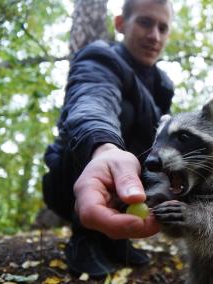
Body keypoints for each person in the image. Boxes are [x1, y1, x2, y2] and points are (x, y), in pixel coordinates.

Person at [42, 0, 174, 278]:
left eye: (163, 28)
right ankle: (85, 237)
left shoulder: (163, 86)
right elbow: (92, 100)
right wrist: (104, 148)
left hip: (131, 184)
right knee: (122, 113)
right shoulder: (99, 57)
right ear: (120, 24)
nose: (155, 36)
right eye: (145, 22)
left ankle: (116, 238)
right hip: (74, 180)